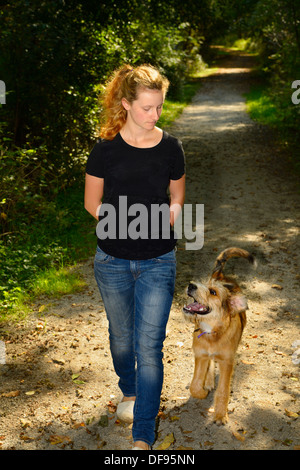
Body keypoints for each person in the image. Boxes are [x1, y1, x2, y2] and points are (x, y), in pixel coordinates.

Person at [84, 64, 185, 450]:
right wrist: (124, 222)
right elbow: (92, 203)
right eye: (146, 107)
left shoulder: (172, 147)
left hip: (159, 258)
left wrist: (169, 219)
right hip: (112, 259)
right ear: (126, 104)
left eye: (159, 107)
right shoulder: (105, 150)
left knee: (150, 345)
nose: (154, 115)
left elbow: (176, 197)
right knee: (122, 337)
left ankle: (143, 431)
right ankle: (128, 388)